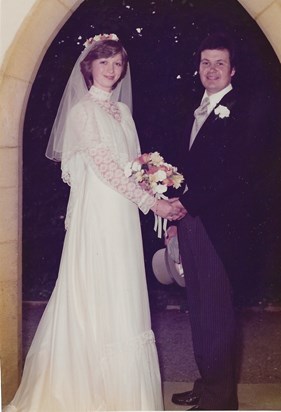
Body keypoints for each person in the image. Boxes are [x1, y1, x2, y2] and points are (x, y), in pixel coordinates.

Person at [4, 33, 177, 411]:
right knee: (97, 290)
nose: (112, 71)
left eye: (117, 64)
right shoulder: (82, 111)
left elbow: (130, 165)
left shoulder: (124, 112)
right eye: (104, 63)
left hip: (123, 215)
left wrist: (153, 180)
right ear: (89, 66)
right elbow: (105, 167)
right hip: (100, 212)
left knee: (124, 290)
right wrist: (152, 204)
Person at [164, 32, 278, 410]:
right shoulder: (193, 107)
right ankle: (209, 383)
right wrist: (176, 219)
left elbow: (240, 172)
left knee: (215, 313)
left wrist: (186, 204)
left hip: (221, 228)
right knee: (198, 309)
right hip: (192, 221)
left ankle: (220, 401)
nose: (211, 70)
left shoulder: (245, 108)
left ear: (232, 70)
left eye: (219, 63)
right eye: (205, 62)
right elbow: (183, 171)